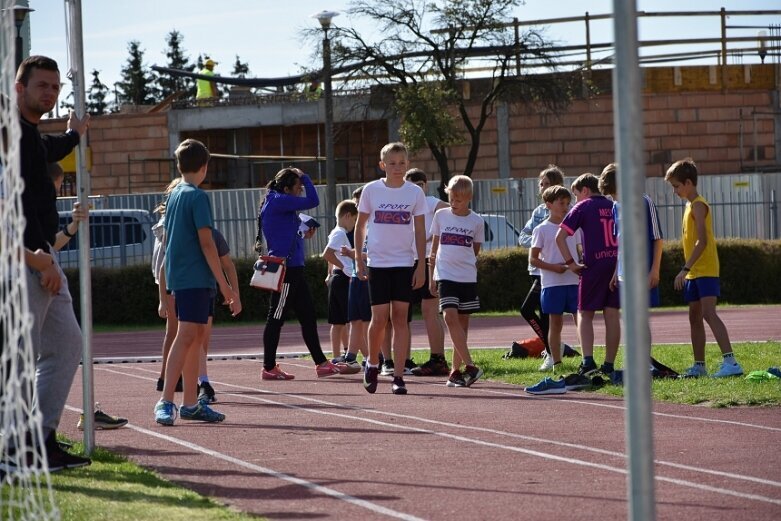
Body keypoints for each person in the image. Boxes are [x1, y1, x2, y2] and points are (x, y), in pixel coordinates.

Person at [16, 55, 92, 469]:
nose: (50, 93)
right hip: (25, 261)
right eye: (42, 85)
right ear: (18, 88)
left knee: (65, 344)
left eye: (55, 87)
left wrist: (73, 134)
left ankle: (40, 440)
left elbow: (47, 147)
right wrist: (35, 260)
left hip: (44, 257)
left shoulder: (30, 135)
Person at [154, 139, 239, 426]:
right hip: (193, 277)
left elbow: (173, 242)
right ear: (204, 167)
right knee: (188, 335)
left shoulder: (176, 193)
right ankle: (166, 400)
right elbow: (206, 244)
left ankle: (190, 402)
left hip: (187, 276)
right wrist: (227, 287)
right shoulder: (197, 197)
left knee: (195, 339)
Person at [47, 163, 129, 430]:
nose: (56, 195)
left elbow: (49, 244)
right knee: (55, 350)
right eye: (57, 188)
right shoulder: (27, 200)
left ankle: (75, 415)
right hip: (37, 280)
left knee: (67, 345)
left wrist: (72, 226)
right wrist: (43, 265)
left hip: (44, 276)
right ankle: (36, 430)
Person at [354, 142, 427, 395]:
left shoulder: (415, 193)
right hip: (378, 263)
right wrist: (358, 259)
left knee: (400, 319)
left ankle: (398, 376)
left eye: (402, 163)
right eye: (392, 163)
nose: (398, 168)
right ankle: (373, 363)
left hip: (404, 263)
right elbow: (360, 226)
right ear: (383, 165)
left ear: (408, 164)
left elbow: (420, 230)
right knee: (379, 318)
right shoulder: (371, 190)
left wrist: (421, 265)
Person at [259, 167, 341, 380]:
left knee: (307, 316)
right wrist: (305, 176)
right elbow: (313, 200)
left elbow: (283, 232)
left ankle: (321, 363)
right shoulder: (279, 200)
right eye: (298, 188)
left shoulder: (278, 201)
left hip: (294, 268)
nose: (301, 191)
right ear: (287, 189)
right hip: (286, 271)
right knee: (276, 317)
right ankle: (268, 367)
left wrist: (303, 232)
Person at [664, 158, 743, 378]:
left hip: (705, 269)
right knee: (694, 317)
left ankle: (731, 362)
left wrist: (684, 268)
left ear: (688, 183)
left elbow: (702, 241)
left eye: (676, 186)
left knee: (709, 314)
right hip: (694, 272)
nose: (675, 191)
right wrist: (688, 270)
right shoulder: (689, 205)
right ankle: (700, 365)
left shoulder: (698, 205)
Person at [555, 173, 620, 377]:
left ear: (585, 190)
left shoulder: (583, 206)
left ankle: (588, 361)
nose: (575, 200)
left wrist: (571, 264)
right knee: (612, 314)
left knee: (584, 313)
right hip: (616, 265)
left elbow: (560, 236)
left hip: (594, 265)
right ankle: (609, 365)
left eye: (576, 195)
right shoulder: (614, 205)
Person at [428, 175, 485, 388]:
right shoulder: (441, 216)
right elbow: (433, 249)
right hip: (445, 275)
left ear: (469, 198)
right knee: (449, 317)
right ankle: (471, 366)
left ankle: (455, 371)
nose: (453, 203)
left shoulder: (477, 221)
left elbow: (475, 250)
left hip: (467, 277)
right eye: (451, 198)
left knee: (461, 324)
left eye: (458, 200)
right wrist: (431, 276)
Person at [524, 186, 581, 395]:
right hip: (552, 283)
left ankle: (586, 360)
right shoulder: (541, 229)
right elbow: (533, 258)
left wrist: (579, 264)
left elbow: (580, 251)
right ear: (548, 205)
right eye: (561, 203)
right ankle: (556, 362)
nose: (565, 207)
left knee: (580, 320)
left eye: (567, 203)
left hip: (573, 281)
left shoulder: (575, 228)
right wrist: (554, 268)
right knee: (555, 324)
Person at [518, 165, 569, 371]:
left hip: (553, 271)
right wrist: (540, 240)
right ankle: (553, 348)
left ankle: (552, 351)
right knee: (535, 311)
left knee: (533, 310)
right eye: (541, 184)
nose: (541, 187)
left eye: (546, 184)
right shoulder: (539, 212)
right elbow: (523, 237)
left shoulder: (568, 211)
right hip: (537, 270)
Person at [404, 168, 450, 378]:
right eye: (411, 185)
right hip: (407, 260)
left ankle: (438, 359)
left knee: (429, 309)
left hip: (429, 261)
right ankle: (403, 359)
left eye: (419, 185)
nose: (416, 189)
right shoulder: (406, 204)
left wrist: (435, 238)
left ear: (426, 185)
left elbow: (454, 212)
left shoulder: (431, 202)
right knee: (403, 311)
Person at [332, 186, 370, 373]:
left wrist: (352, 253)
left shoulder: (372, 224)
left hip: (368, 277)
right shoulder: (356, 227)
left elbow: (372, 253)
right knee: (355, 320)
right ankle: (353, 358)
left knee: (366, 322)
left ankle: (375, 358)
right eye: (355, 202)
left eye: (360, 201)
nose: (357, 205)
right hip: (356, 276)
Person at [152, 178, 184, 393]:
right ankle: (169, 377)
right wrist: (163, 298)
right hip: (173, 278)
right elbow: (164, 262)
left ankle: (168, 376)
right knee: (177, 330)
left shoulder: (168, 219)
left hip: (171, 277)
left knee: (174, 331)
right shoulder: (171, 221)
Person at [322, 200, 359, 361]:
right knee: (353, 320)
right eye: (355, 220)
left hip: (337, 277)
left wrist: (331, 272)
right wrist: (343, 267)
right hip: (343, 278)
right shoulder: (340, 233)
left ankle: (338, 356)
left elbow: (331, 255)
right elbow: (327, 254)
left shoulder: (334, 232)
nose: (355, 224)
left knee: (338, 322)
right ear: (347, 216)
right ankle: (362, 355)